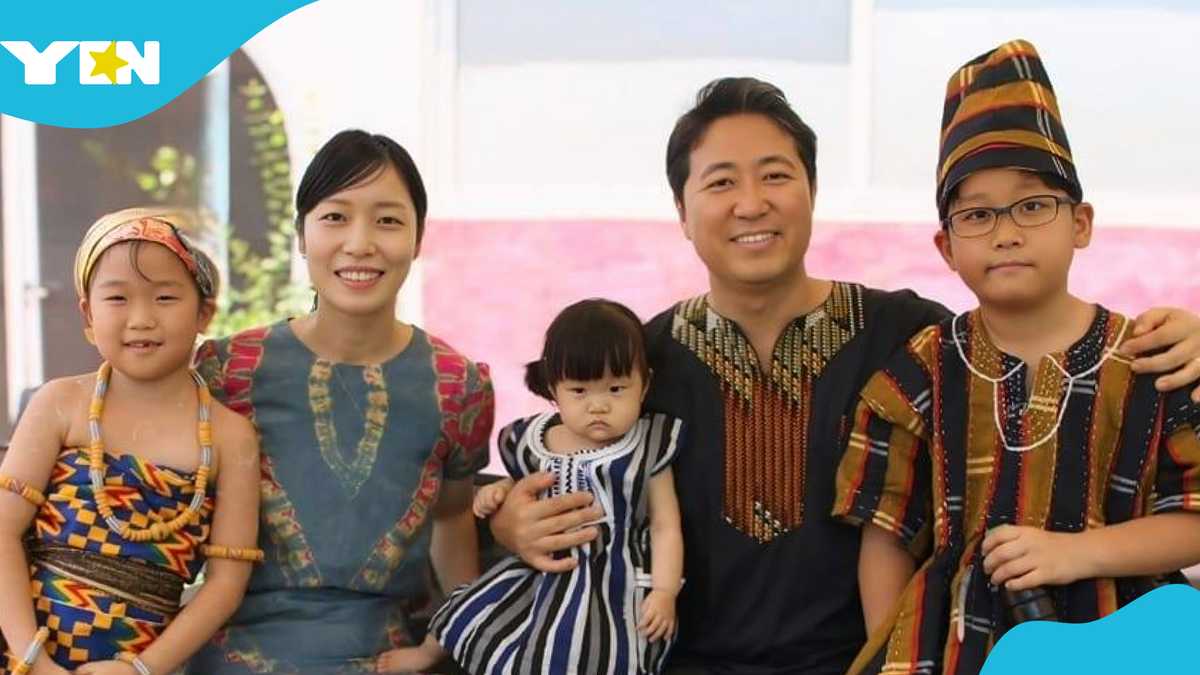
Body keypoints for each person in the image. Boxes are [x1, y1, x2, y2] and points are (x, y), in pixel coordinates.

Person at [489, 76, 1200, 674]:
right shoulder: (638, 361)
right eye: (721, 181)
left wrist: (1188, 336)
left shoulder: (908, 335)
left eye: (776, 175)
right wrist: (509, 518)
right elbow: (555, 460)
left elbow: (1030, 330)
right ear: (682, 210)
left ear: (812, 190)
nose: (751, 202)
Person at [834, 39, 1200, 675]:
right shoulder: (921, 370)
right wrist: (894, 653)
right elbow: (886, 530)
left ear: (1081, 223)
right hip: (954, 649)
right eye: (977, 214)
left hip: (1125, 642)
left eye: (1033, 206)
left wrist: (1076, 554)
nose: (1006, 232)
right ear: (946, 248)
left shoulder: (1151, 358)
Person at [186, 130, 495, 674]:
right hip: (232, 657)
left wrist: (450, 642)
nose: (359, 243)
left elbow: (452, 519)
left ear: (418, 238)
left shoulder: (456, 386)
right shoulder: (225, 372)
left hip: (388, 660)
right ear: (301, 237)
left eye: (388, 220)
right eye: (335, 217)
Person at [0, 208, 262, 675]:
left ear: (204, 311)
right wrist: (32, 659)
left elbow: (226, 583)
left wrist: (141, 668)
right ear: (88, 313)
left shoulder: (229, 437)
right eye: (118, 298)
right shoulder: (59, 404)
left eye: (165, 297)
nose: (141, 319)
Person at [377, 298, 684, 675]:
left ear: (645, 384)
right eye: (579, 391)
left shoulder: (648, 448)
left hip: (612, 582)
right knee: (470, 608)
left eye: (616, 388)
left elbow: (665, 526)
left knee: (597, 652)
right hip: (538, 575)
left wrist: (665, 591)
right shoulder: (535, 440)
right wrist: (500, 491)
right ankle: (427, 653)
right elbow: (525, 481)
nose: (598, 406)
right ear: (553, 388)